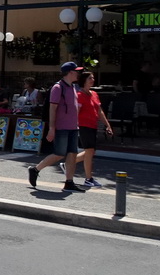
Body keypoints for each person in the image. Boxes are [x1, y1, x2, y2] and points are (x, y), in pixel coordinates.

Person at [28, 62, 85, 192]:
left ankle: (69, 182)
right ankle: (35, 169)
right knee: (59, 153)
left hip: (73, 126)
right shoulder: (58, 88)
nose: (78, 73)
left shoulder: (74, 87)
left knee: (72, 154)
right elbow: (52, 109)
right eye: (76, 71)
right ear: (70, 72)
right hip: (62, 127)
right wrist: (52, 128)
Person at [70, 71, 113, 188]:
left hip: (93, 125)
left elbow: (100, 111)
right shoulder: (79, 95)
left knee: (91, 151)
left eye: (93, 78)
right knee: (89, 151)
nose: (93, 80)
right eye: (90, 78)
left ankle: (69, 163)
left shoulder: (94, 94)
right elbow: (76, 112)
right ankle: (89, 178)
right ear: (84, 80)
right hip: (84, 126)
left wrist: (107, 125)